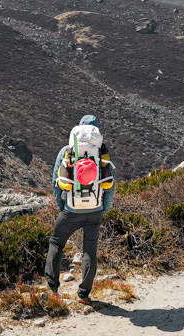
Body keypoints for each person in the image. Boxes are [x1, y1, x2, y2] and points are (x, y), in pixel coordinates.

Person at [45, 114, 115, 302]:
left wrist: (62, 206)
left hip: (71, 209)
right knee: (89, 251)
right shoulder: (102, 152)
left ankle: (52, 288)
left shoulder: (67, 151)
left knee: (56, 242)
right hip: (95, 210)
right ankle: (84, 294)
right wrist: (103, 209)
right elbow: (110, 184)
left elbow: (56, 181)